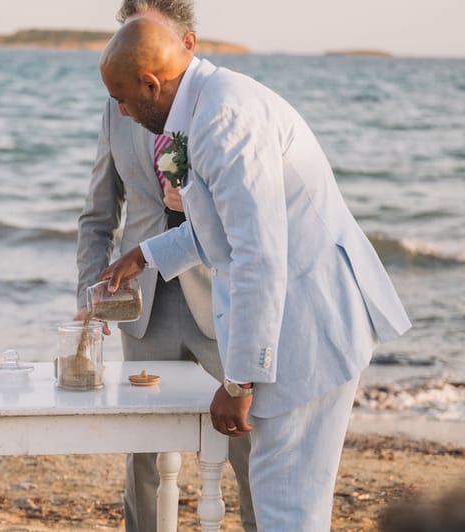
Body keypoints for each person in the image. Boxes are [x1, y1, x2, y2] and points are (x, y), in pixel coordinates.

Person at [97, 18, 411, 531]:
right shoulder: (206, 103)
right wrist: (146, 255)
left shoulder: (225, 120)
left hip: (309, 325)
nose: (121, 111)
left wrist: (238, 381)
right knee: (282, 499)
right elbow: (224, 228)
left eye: (122, 98)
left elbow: (258, 256)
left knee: (285, 504)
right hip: (293, 318)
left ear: (152, 84)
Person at [76, 2, 254, 531]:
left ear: (183, 43)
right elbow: (98, 212)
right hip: (143, 305)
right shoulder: (118, 108)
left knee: (248, 442)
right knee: (145, 454)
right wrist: (90, 293)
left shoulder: (220, 106)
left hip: (217, 298)